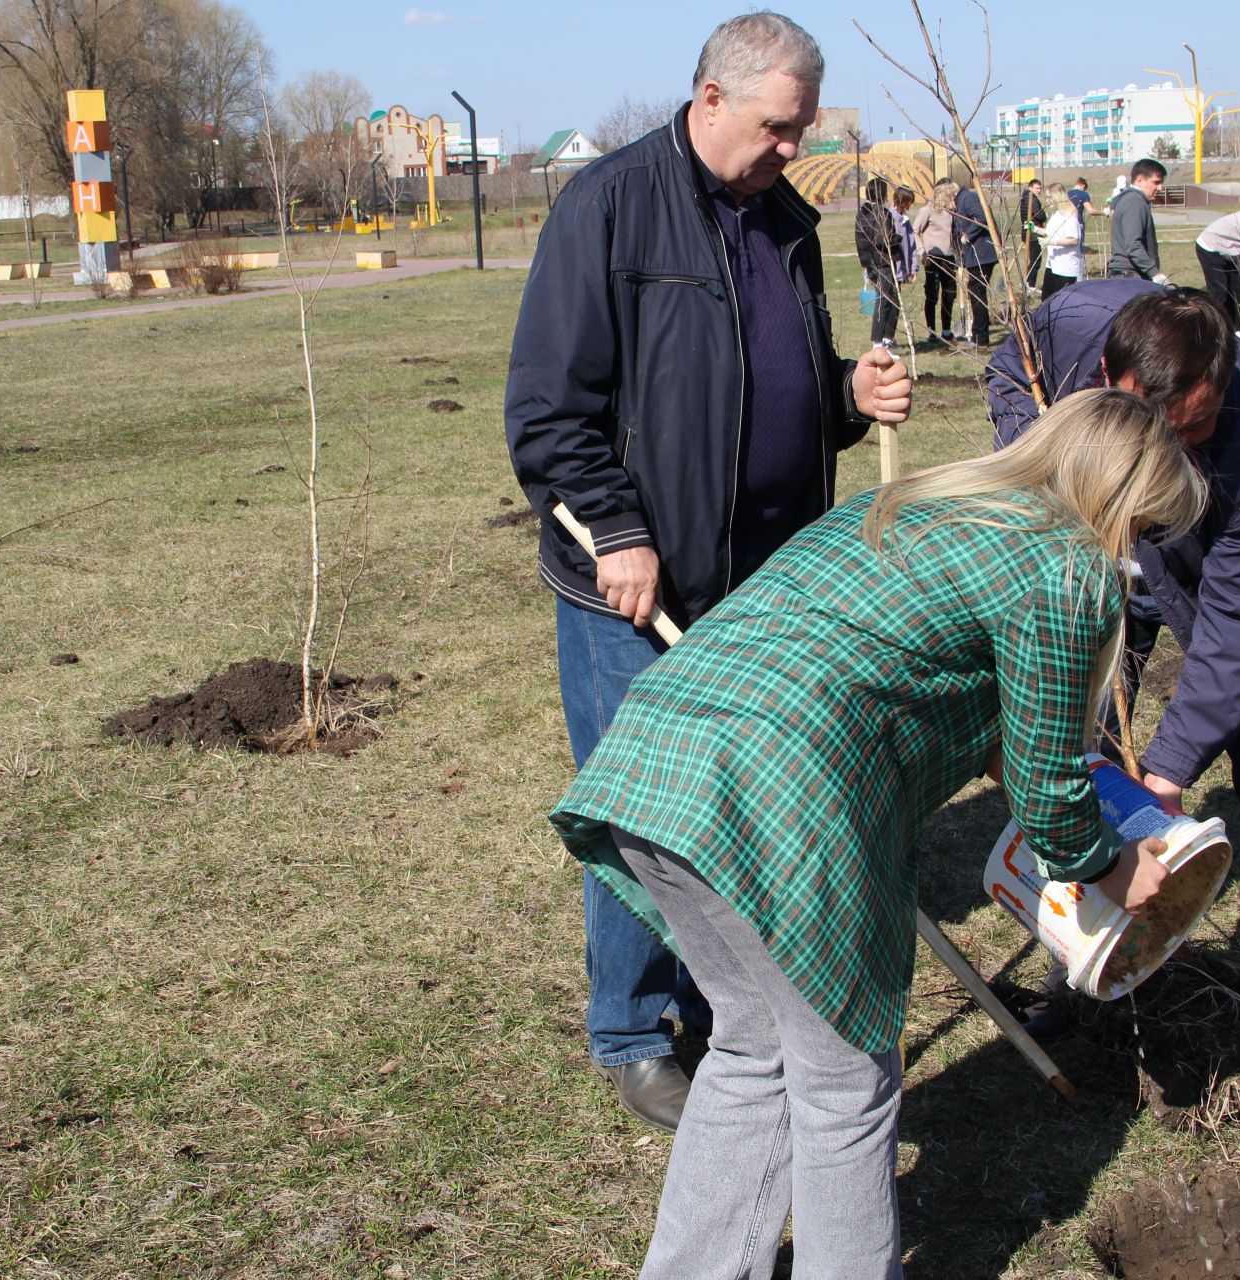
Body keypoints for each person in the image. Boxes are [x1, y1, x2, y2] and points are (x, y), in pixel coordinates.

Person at [552, 387, 1203, 1278]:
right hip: (783, 796)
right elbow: (1052, 796)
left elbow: (883, 655)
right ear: (1122, 505)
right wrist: (1112, 867)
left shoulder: (907, 502)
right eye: (1147, 529)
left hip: (658, 763)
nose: (1136, 552)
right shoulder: (1065, 565)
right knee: (843, 1086)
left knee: (751, 1049)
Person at [503, 10, 913, 1134]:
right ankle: (634, 1027)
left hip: (760, 582)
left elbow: (759, 382)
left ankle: (716, 1000)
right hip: (639, 586)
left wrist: (844, 396)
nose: (794, 148)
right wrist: (621, 529)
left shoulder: (779, 218)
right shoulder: (610, 207)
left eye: (804, 128)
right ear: (712, 98)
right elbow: (549, 412)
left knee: (732, 808)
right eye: (780, 127)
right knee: (648, 812)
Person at [987, 282, 1240, 1041]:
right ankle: (1085, 959)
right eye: (1153, 431)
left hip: (1206, 567)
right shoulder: (1073, 330)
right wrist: (1049, 456)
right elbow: (1006, 367)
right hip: (1097, 541)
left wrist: (1169, 772)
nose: (1172, 453)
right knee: (1085, 747)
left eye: (1193, 434)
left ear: (1218, 392)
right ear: (1106, 378)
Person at [1194, 201, 1240, 334]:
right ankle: (1216, 333)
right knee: (1220, 294)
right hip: (1210, 247)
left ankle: (1236, 334)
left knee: (1235, 294)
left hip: (1229, 253)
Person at [856, 175, 903, 346]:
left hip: (872, 263)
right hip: (883, 262)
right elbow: (882, 239)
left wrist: (867, 265)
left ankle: (887, 337)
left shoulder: (861, 213)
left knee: (892, 299)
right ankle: (878, 340)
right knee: (885, 301)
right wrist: (898, 238)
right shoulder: (881, 213)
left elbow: (861, 242)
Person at [955, 174, 1000, 345]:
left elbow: (982, 219)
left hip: (983, 254)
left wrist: (968, 236)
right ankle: (978, 335)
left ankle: (980, 337)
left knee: (977, 293)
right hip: (976, 254)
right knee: (974, 291)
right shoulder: (962, 200)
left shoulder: (967, 199)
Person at [915, 178, 961, 342]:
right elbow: (914, 231)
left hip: (949, 258)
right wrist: (922, 252)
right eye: (951, 197)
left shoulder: (953, 213)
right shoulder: (928, 210)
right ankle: (931, 331)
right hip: (933, 259)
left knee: (949, 295)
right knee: (932, 296)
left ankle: (947, 330)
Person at [1107, 158, 1166, 281]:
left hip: (1130, 274)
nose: (1160, 188)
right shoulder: (1135, 202)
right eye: (1156, 182)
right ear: (1139, 180)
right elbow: (1133, 245)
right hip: (1130, 276)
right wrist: (1155, 273)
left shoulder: (1133, 200)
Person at [1037, 182, 1084, 298]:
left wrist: (1053, 242)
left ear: (1058, 196)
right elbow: (1051, 233)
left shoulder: (1070, 216)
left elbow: (1074, 240)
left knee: (1061, 303)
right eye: (1046, 197)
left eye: (1049, 197)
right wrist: (1035, 229)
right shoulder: (1057, 214)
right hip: (1052, 265)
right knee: (1046, 300)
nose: (1047, 201)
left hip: (1066, 269)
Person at [891, 184, 921, 328]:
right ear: (902, 201)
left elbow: (911, 245)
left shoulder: (905, 220)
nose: (911, 204)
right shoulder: (891, 218)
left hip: (902, 270)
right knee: (889, 304)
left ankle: (890, 335)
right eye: (909, 201)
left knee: (896, 303)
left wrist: (913, 268)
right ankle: (885, 337)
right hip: (892, 270)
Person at [1019, 176, 1049, 287]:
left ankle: (1025, 282)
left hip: (1027, 232)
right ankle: (1030, 284)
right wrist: (1044, 216)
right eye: (1037, 188)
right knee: (1035, 260)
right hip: (1034, 234)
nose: (1039, 190)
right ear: (1030, 187)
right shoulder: (1032, 199)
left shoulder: (1024, 198)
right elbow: (1040, 215)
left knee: (1030, 259)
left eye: (1040, 188)